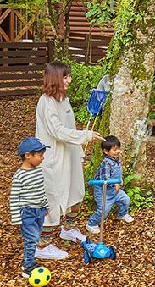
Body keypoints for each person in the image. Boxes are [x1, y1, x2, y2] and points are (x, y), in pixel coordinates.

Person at [35, 61, 105, 259]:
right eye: (65, 77)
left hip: (71, 155)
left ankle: (69, 229)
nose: (70, 80)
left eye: (69, 76)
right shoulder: (46, 102)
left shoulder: (63, 99)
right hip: (54, 160)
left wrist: (79, 151)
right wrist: (86, 135)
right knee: (53, 200)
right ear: (55, 78)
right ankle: (42, 246)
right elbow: (57, 131)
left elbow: (69, 128)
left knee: (76, 192)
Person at [9, 137, 51, 278]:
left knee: (36, 236)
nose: (42, 158)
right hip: (27, 212)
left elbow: (41, 190)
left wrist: (45, 205)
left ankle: (29, 261)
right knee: (32, 238)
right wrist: (16, 218)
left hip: (39, 211)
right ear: (28, 155)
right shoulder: (19, 176)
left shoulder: (37, 171)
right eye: (40, 155)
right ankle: (28, 265)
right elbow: (14, 198)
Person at [85, 135, 133, 233]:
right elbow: (105, 179)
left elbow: (117, 173)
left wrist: (120, 179)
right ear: (106, 151)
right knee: (104, 210)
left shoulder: (116, 160)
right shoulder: (106, 163)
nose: (118, 151)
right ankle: (91, 223)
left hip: (114, 191)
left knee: (125, 200)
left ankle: (122, 214)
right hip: (103, 193)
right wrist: (116, 183)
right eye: (114, 150)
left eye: (118, 149)